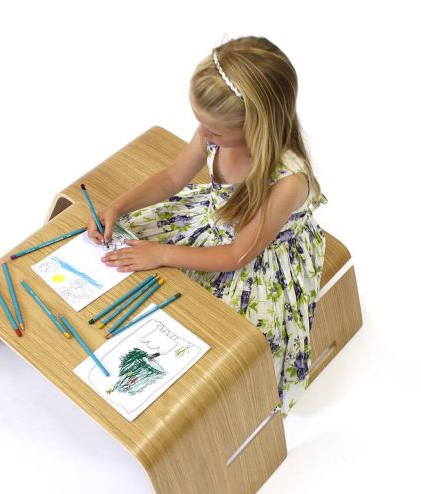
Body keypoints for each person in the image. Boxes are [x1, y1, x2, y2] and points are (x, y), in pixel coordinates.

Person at [87, 35, 328, 418]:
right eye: (200, 123)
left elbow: (236, 255)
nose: (203, 134)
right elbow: (172, 178)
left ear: (256, 125)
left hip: (258, 261)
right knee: (132, 233)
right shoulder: (211, 132)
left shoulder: (288, 180)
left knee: (229, 343)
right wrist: (117, 206)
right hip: (216, 224)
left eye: (213, 131)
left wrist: (162, 254)